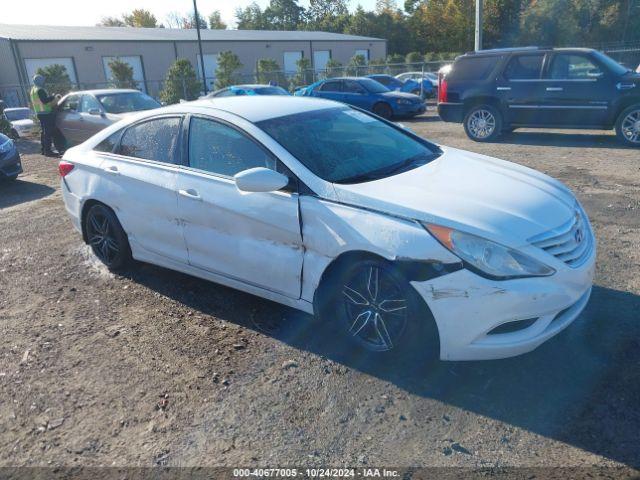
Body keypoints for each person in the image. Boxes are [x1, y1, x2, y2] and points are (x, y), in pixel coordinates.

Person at [30, 74, 59, 157]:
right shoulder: (40, 90)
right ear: (39, 81)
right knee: (48, 133)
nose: (44, 81)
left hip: (39, 113)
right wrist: (53, 97)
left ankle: (43, 150)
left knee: (44, 132)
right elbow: (45, 101)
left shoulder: (33, 90)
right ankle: (48, 151)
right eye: (42, 80)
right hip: (46, 113)